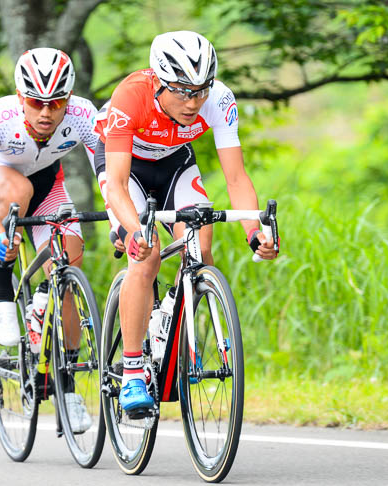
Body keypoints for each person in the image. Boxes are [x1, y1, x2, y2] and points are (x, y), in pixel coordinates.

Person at [93, 31, 278, 416]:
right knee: (146, 255)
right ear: (159, 81)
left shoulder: (220, 99)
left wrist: (253, 231)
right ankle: (131, 372)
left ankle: (172, 329)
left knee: (202, 245)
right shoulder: (132, 96)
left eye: (200, 91)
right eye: (181, 92)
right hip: (125, 169)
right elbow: (118, 186)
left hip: (175, 161)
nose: (193, 102)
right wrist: (134, 232)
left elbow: (236, 179)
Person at [0, 47, 99, 431]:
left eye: (55, 103)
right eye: (36, 102)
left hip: (49, 184)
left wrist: (123, 220)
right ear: (21, 97)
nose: (45, 113)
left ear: (68, 100)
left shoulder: (85, 115)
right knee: (18, 189)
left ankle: (66, 386)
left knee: (68, 266)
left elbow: (108, 171)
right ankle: (4, 291)